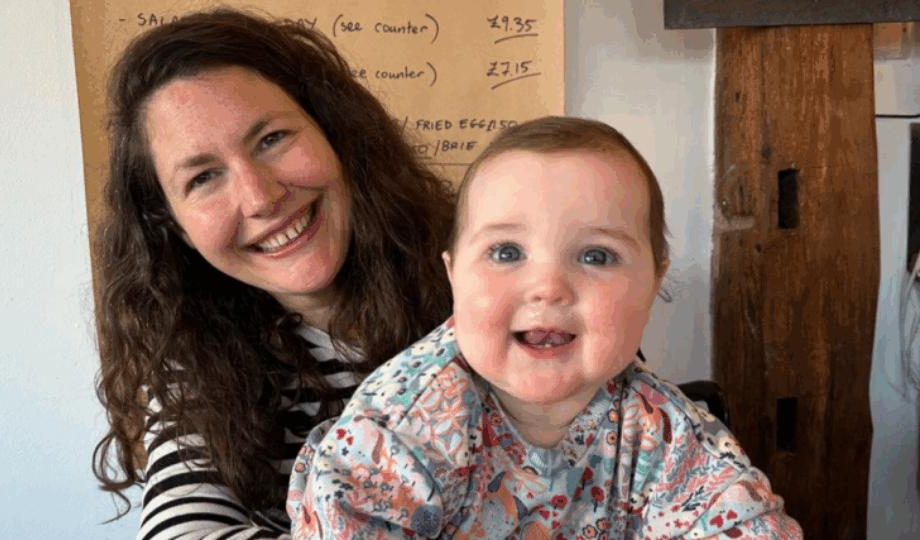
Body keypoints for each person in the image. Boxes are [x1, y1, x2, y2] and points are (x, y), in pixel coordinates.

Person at [287, 117, 802, 538]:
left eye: (596, 255)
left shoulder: (667, 434)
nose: (549, 287)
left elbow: (744, 524)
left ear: (653, 282)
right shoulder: (403, 422)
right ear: (453, 274)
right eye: (506, 252)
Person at [91, 8, 456, 539]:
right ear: (176, 228)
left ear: (335, 132)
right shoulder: (196, 359)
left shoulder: (489, 275)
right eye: (204, 177)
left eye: (272, 139)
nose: (261, 197)